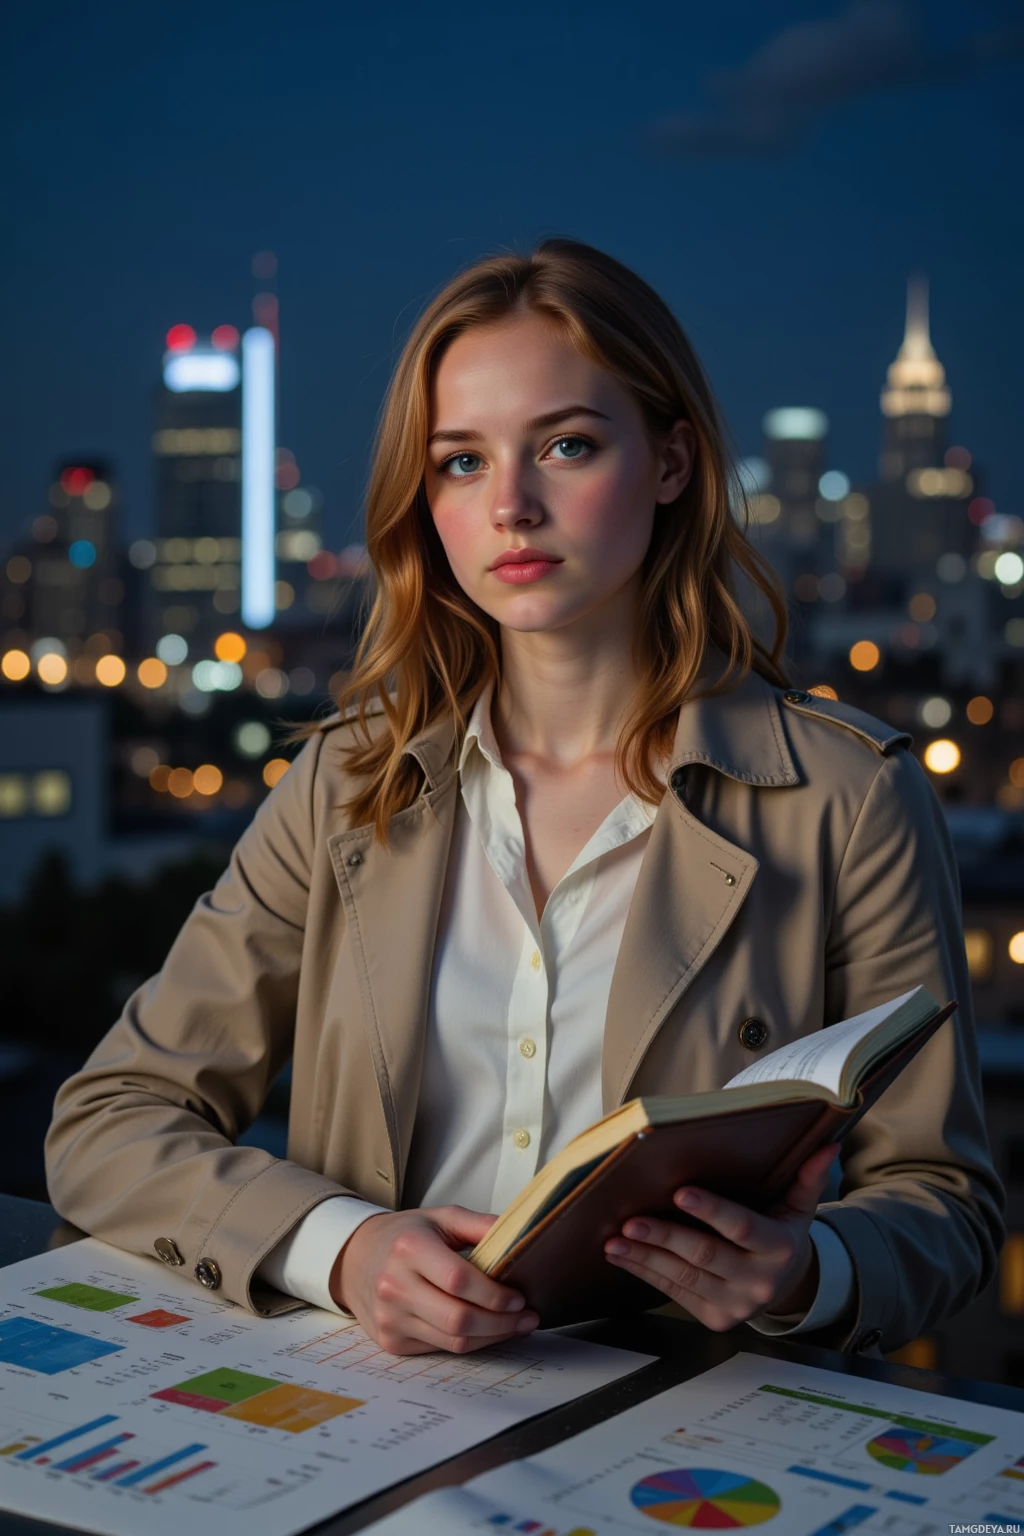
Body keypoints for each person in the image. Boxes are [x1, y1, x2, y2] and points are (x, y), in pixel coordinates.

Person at [46, 238, 1002, 1360]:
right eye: (460, 462)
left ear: (670, 461)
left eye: (566, 445)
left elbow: (945, 1203)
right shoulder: (347, 784)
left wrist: (805, 1269)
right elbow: (108, 1120)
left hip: (676, 1450)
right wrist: (341, 1248)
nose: (511, 505)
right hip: (369, 1432)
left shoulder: (847, 798)